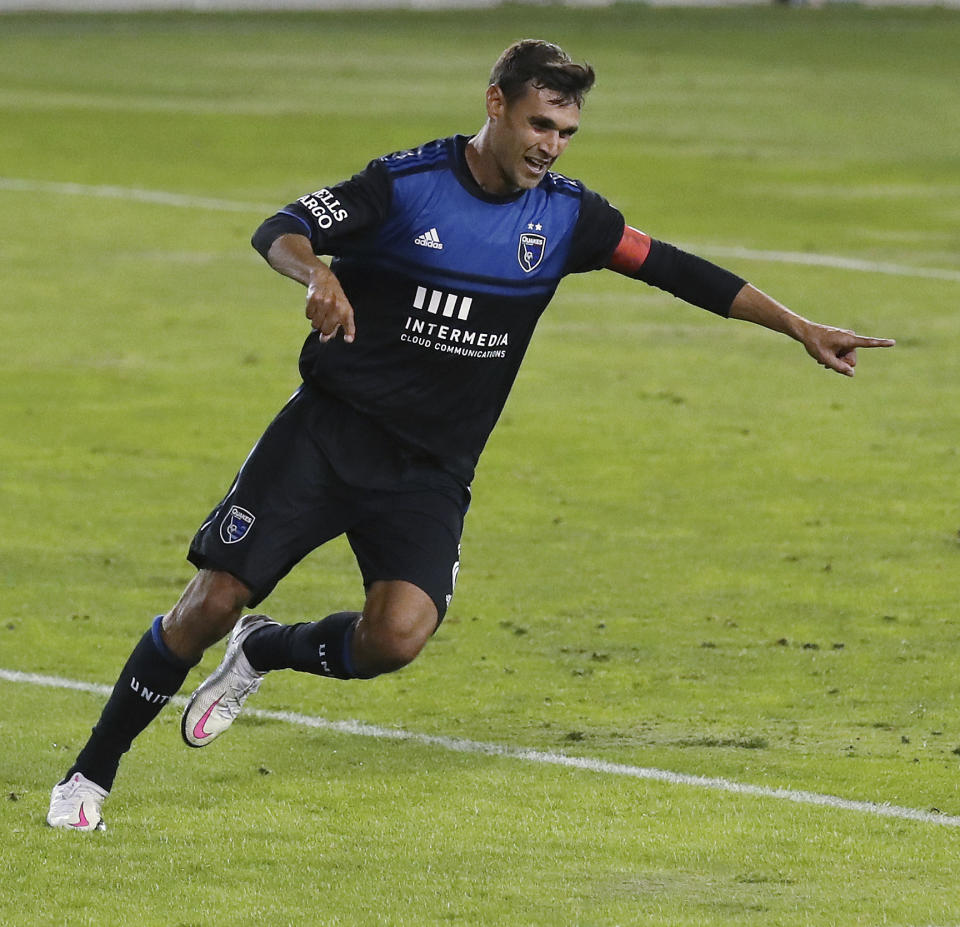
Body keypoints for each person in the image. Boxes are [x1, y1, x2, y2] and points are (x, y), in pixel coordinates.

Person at [46, 39, 894, 831]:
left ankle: (268, 650)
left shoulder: (570, 219)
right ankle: (90, 772)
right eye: (538, 124)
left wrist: (797, 325)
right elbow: (281, 229)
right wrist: (320, 274)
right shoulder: (404, 185)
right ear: (496, 105)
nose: (552, 145)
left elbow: (674, 267)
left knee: (395, 638)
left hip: (430, 468)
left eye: (566, 131)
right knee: (212, 598)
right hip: (328, 436)